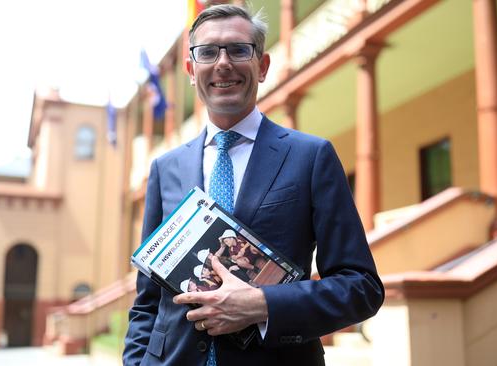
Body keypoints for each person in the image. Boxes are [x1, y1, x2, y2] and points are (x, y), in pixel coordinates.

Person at [123, 4, 384, 366]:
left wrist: (263, 305)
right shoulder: (165, 168)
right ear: (190, 70)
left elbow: (361, 288)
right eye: (208, 52)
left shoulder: (311, 156)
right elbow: (148, 300)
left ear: (262, 66)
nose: (223, 63)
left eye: (239, 49)